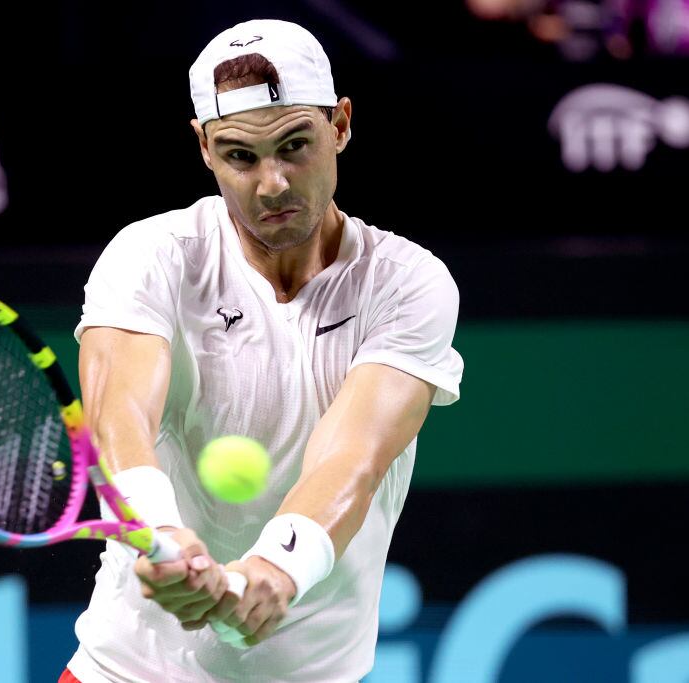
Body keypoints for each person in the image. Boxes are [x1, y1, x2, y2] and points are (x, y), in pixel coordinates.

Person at [63, 18, 464, 683]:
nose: (272, 183)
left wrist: (279, 566)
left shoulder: (407, 282)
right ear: (203, 148)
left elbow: (351, 458)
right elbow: (118, 419)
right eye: (240, 156)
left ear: (340, 124)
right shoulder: (152, 256)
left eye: (294, 145)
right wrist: (161, 536)